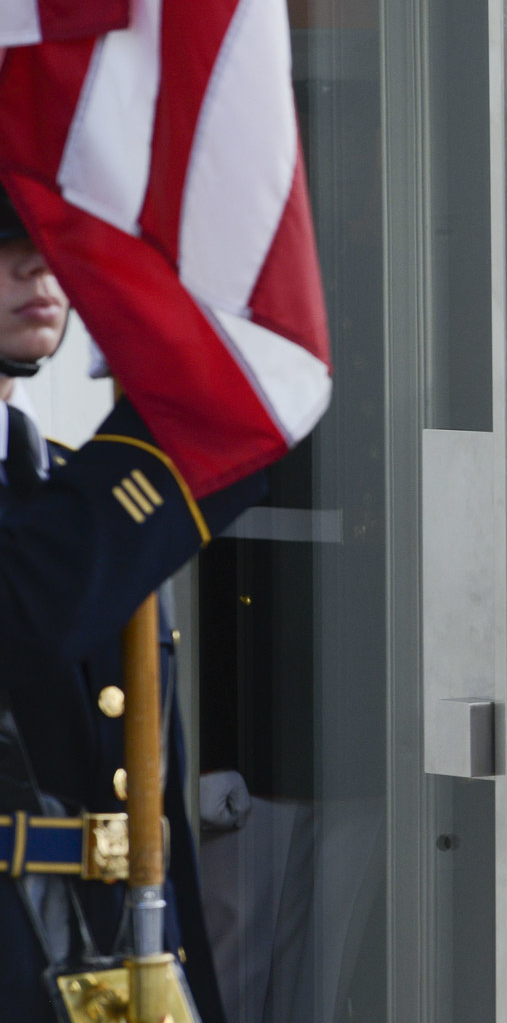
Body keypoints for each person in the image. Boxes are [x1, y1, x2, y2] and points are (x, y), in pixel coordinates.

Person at [0, 188, 263, 1021]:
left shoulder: (74, 484)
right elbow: (28, 614)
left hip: (102, 962)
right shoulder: (104, 501)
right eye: (4, 243)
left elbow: (144, 814)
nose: (37, 262)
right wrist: (180, 427)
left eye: (48, 236)